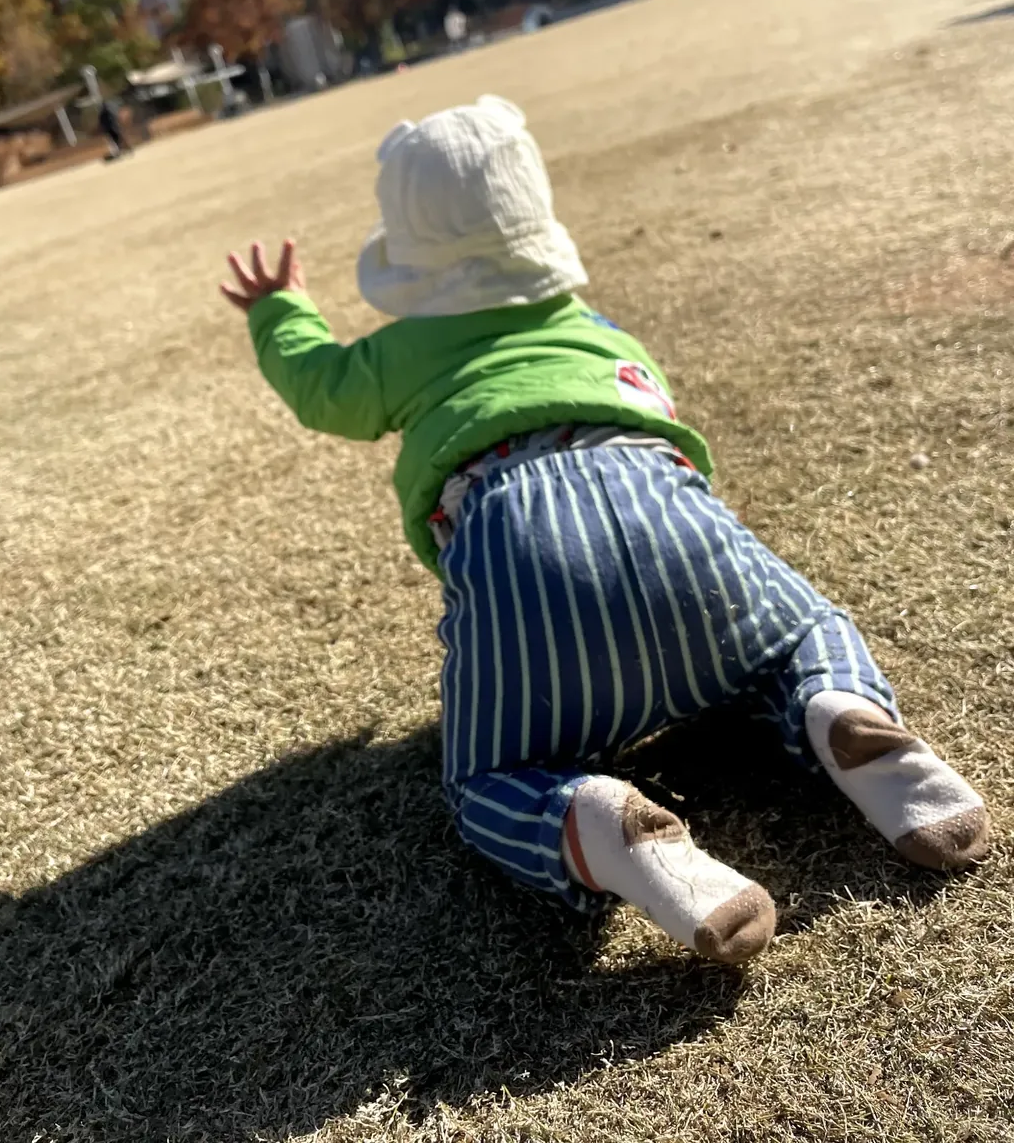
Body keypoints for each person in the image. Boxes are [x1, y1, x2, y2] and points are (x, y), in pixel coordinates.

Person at [221, 97, 990, 965]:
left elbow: (319, 385)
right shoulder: (595, 331)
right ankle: (837, 711)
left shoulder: (398, 354)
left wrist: (278, 309)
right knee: (803, 636)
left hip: (517, 545)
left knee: (486, 781)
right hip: (667, 512)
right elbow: (667, 427)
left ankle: (593, 823)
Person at [97, 96, 132, 161]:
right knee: (118, 140)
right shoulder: (107, 112)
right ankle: (124, 150)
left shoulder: (103, 114)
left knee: (117, 141)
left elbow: (104, 123)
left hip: (111, 129)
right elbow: (113, 120)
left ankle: (124, 150)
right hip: (112, 129)